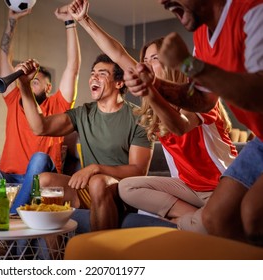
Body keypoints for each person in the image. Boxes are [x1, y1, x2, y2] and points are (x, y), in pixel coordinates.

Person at [69, 0, 237, 231]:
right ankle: (195, 217)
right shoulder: (154, 99)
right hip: (187, 188)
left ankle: (197, 222)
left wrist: (150, 91)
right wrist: (84, 20)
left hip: (220, 188)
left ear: (171, 65)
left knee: (204, 228)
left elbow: (179, 125)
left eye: (154, 59)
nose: (145, 64)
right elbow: (117, 53)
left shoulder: (196, 93)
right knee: (127, 188)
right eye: (144, 60)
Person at [125, 0, 263, 246]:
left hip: (223, 172)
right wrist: (153, 85)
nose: (162, 1)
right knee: (217, 220)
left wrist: (188, 64)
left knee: (252, 214)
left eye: (155, 58)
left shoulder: (252, 9)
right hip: (260, 140)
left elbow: (257, 94)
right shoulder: (201, 36)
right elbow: (202, 98)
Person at [15, 54, 153, 231]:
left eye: (102, 73)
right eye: (93, 73)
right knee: (44, 180)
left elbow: (138, 170)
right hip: (88, 188)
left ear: (119, 83)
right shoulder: (83, 113)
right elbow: (40, 127)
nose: (94, 77)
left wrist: (96, 168)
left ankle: (97, 253)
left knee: (97, 182)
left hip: (122, 191)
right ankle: (54, 257)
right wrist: (25, 86)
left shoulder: (139, 118)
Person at [0, 5, 81, 214]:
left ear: (48, 87)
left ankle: (12, 217)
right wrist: (12, 21)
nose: (29, 82)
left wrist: (69, 22)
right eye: (28, 80)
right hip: (9, 177)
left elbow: (73, 66)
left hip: (40, 175)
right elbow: (4, 59)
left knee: (38, 158)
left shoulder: (58, 104)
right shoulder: (15, 98)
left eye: (35, 81)